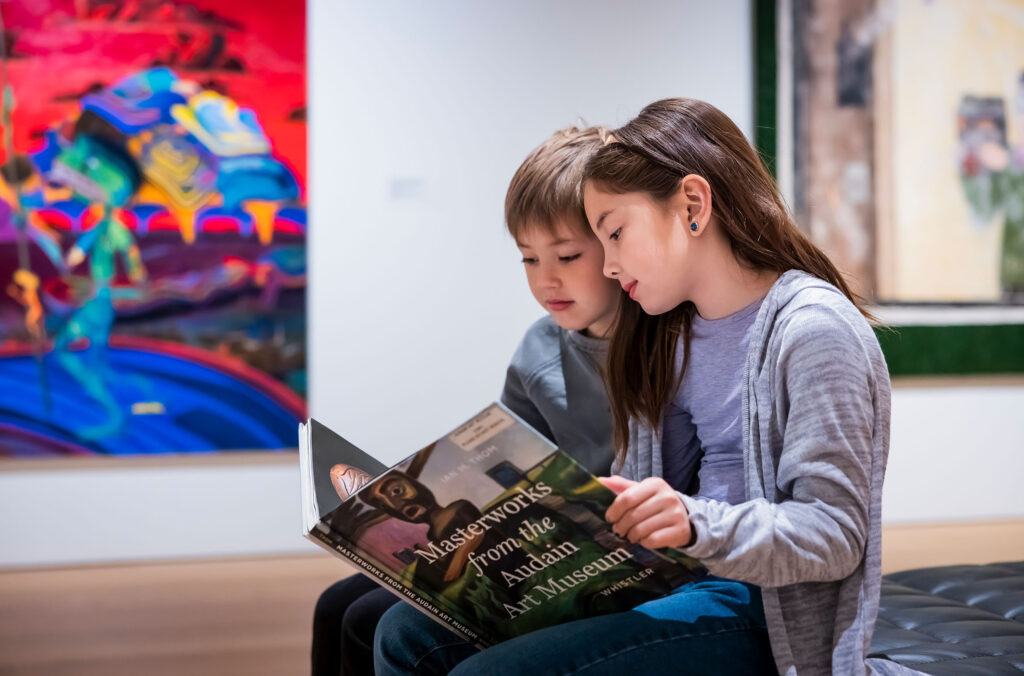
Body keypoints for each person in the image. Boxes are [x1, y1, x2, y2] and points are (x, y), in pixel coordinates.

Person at [373, 98, 891, 676]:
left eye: (615, 234)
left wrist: (695, 522)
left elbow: (837, 534)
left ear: (692, 205)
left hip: (763, 608)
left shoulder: (813, 330)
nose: (611, 266)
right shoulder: (676, 331)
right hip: (672, 577)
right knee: (403, 634)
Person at [311, 125, 623, 676]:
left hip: (592, 550)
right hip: (520, 539)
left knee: (370, 624)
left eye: (568, 255)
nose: (546, 279)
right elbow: (507, 462)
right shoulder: (538, 347)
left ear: (617, 246)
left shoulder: (658, 344)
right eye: (528, 260)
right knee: (336, 604)